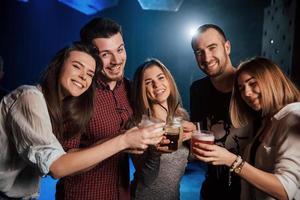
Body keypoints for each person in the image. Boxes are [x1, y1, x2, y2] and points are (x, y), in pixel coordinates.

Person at [0, 42, 164, 199]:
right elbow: (57, 167)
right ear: (58, 66)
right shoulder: (29, 97)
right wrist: (124, 140)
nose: (83, 77)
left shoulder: (55, 107)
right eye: (77, 66)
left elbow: (65, 157)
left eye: (90, 74)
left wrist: (124, 137)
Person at [56, 17, 151, 200]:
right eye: (106, 54)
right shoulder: (79, 92)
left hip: (123, 194)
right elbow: (64, 162)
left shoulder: (131, 88)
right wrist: (122, 141)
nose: (117, 60)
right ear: (91, 57)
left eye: (120, 50)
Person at [193, 57, 300, 200]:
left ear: (272, 80)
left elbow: (286, 190)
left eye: (252, 83)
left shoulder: (293, 117)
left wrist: (232, 161)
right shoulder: (267, 120)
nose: (246, 93)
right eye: (241, 88)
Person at [190, 24, 252, 199]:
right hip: (213, 189)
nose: (206, 57)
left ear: (227, 47)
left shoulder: (250, 85)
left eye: (212, 48)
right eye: (198, 52)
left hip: (251, 189)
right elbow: (199, 137)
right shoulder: (198, 89)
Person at [130, 58, 196, 200]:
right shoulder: (138, 124)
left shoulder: (181, 116)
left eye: (160, 77)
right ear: (141, 89)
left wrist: (194, 138)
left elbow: (186, 160)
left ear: (169, 80)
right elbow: (146, 179)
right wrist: (155, 152)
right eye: (148, 82)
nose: (157, 85)